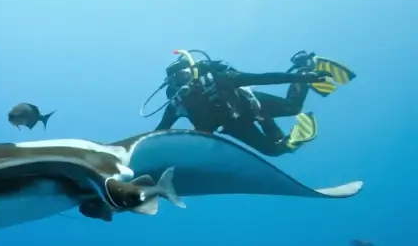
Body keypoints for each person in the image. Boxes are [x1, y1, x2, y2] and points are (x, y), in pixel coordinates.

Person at [144, 49, 356, 156]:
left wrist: (305, 77)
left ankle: (305, 65)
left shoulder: (221, 79)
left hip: (252, 107)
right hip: (235, 126)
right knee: (275, 151)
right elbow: (160, 131)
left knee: (293, 107)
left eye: (183, 76)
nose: (181, 82)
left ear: (194, 70)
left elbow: (264, 77)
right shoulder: (177, 103)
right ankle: (285, 139)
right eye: (175, 81)